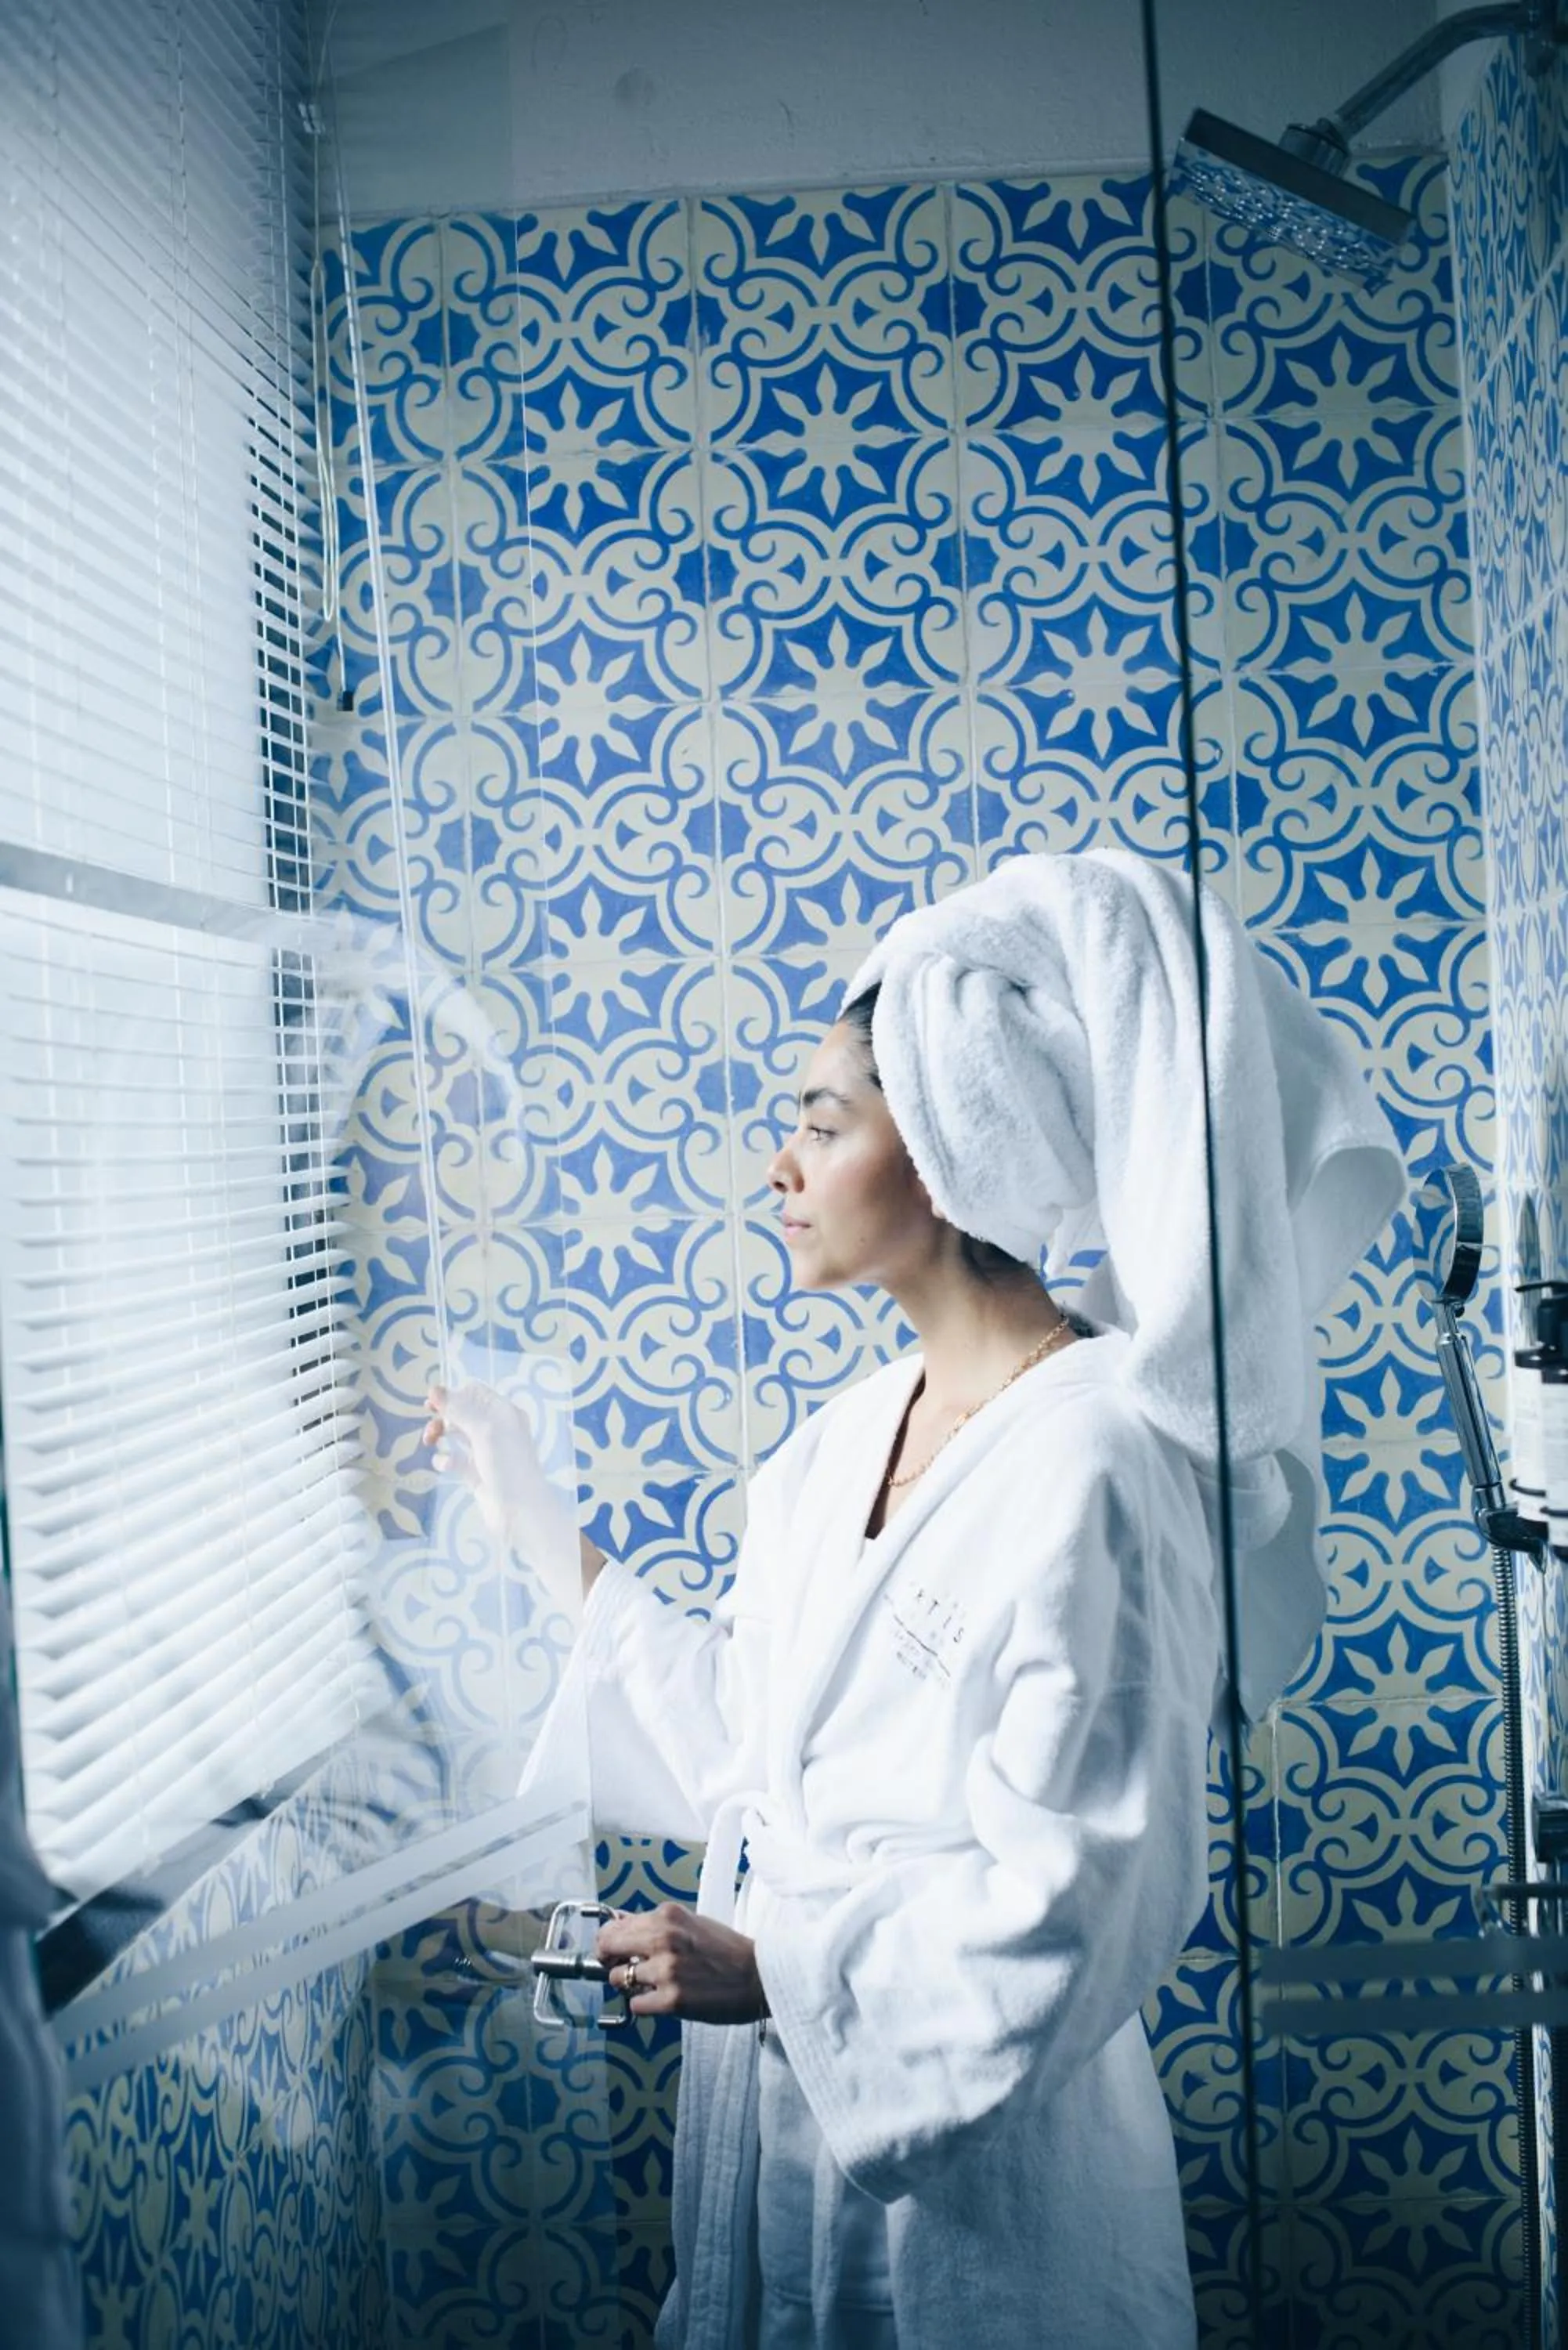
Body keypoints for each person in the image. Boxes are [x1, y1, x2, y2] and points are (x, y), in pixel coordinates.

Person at [425, 848, 1404, 2349]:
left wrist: (780, 1978)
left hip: (987, 2209)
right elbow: (751, 1744)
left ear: (960, 1145)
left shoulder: (1096, 1463)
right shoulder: (835, 1446)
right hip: (782, 2160)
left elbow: (1085, 1896)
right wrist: (528, 1518)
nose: (780, 1168)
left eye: (823, 1125)